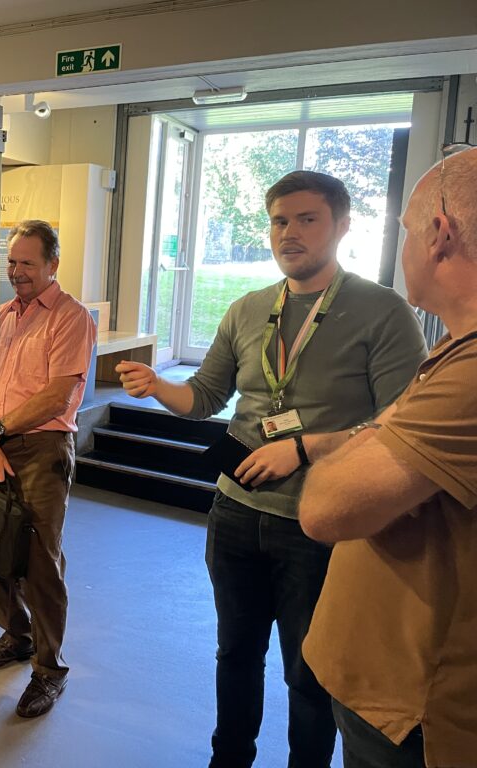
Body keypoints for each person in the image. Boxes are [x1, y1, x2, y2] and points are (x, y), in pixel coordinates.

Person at [117, 171, 426, 767]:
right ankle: (228, 758)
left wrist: (306, 448)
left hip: (319, 523)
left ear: (341, 226)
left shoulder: (381, 311)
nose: (290, 233)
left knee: (310, 674)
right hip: (235, 512)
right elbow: (205, 396)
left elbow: (400, 424)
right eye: (280, 221)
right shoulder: (249, 308)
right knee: (234, 654)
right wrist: (158, 386)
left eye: (307, 219)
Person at [300, 146, 477, 768]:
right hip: (390, 692)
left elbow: (327, 508)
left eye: (405, 231)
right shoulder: (456, 351)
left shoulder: (471, 372)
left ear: (440, 235)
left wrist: (340, 445)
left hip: (416, 712)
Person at [0, 219, 96, 718]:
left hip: (42, 448)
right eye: (12, 261)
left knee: (41, 560)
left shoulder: (71, 317)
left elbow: (57, 395)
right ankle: (16, 637)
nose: (17, 270)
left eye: (27, 262)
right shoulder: (2, 315)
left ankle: (49, 669)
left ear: (52, 265)